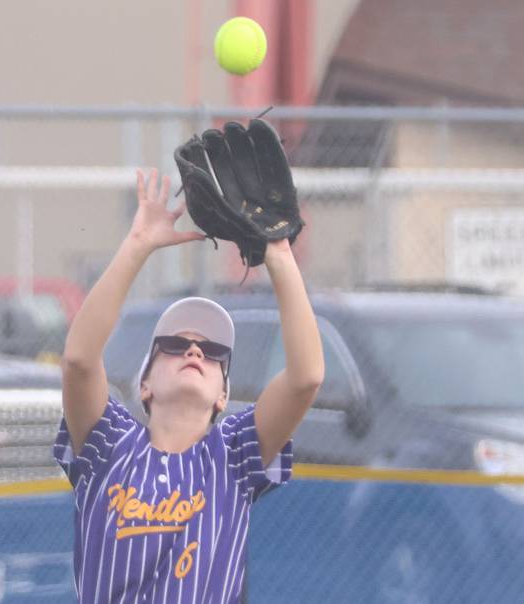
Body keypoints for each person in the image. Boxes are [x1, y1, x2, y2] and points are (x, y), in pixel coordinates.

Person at [53, 167, 324, 603]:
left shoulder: (231, 456)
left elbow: (306, 377)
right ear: (145, 386)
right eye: (176, 345)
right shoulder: (110, 445)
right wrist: (137, 246)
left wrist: (278, 253)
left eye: (213, 353)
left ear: (223, 394)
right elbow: (79, 361)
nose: (195, 352)